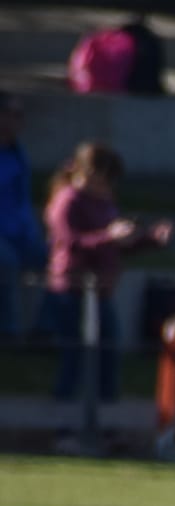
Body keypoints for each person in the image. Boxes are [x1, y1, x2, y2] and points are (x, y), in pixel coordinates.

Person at [43, 142, 169, 404]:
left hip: (102, 290)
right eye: (103, 179)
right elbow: (70, 241)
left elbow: (114, 248)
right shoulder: (67, 200)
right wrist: (108, 235)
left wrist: (149, 240)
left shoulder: (104, 203)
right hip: (72, 289)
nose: (107, 186)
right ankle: (63, 427)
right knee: (74, 360)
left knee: (108, 359)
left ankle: (107, 426)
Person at [0, 92, 48, 340]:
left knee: (60, 259)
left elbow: (23, 202)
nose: (15, 121)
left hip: (21, 233)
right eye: (9, 114)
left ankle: (45, 330)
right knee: (5, 262)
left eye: (19, 116)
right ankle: (7, 333)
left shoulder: (19, 154)